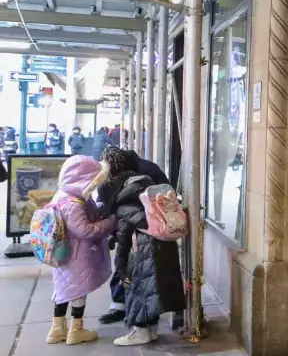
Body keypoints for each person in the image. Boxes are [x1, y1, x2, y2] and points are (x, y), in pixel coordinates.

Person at [99, 147, 184, 346]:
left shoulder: (125, 196)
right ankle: (151, 329)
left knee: (137, 289)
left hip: (143, 249)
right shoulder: (145, 184)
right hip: (161, 245)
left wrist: (120, 265)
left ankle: (140, 331)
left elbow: (124, 237)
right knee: (151, 288)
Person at [46, 155, 115, 345]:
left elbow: (88, 212)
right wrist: (110, 222)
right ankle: (77, 329)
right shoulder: (73, 204)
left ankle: (57, 328)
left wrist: (100, 208)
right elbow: (85, 230)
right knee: (78, 290)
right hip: (76, 254)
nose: (93, 186)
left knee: (63, 288)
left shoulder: (63, 194)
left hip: (62, 252)